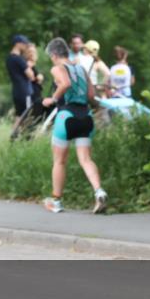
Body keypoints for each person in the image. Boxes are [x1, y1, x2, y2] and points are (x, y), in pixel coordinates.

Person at [41, 38, 108, 214]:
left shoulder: (57, 68)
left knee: (59, 161)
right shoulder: (82, 69)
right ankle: (99, 192)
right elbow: (91, 95)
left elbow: (65, 83)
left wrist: (52, 99)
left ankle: (56, 201)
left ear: (54, 55)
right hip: (85, 116)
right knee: (86, 159)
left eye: (51, 57)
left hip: (67, 116)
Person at [6, 35, 35, 132]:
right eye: (24, 44)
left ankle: (13, 137)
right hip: (24, 92)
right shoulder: (19, 59)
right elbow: (31, 75)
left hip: (16, 91)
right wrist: (30, 65)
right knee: (28, 115)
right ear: (18, 44)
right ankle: (27, 138)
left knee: (19, 116)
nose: (26, 46)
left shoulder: (9, 58)